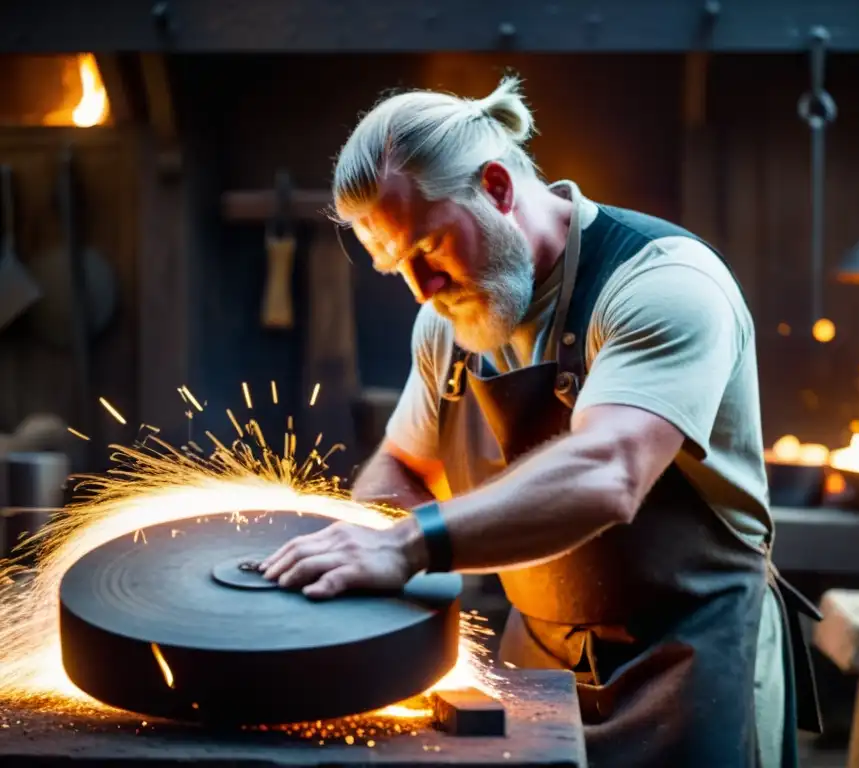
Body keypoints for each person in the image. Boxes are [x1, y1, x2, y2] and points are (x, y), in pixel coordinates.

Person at [260, 76, 820, 767]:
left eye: (428, 249)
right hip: (537, 664)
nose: (420, 290)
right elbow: (403, 465)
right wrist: (372, 564)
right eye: (395, 266)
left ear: (496, 187)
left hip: (692, 657)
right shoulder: (448, 324)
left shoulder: (664, 284)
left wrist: (405, 547)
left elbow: (608, 471)